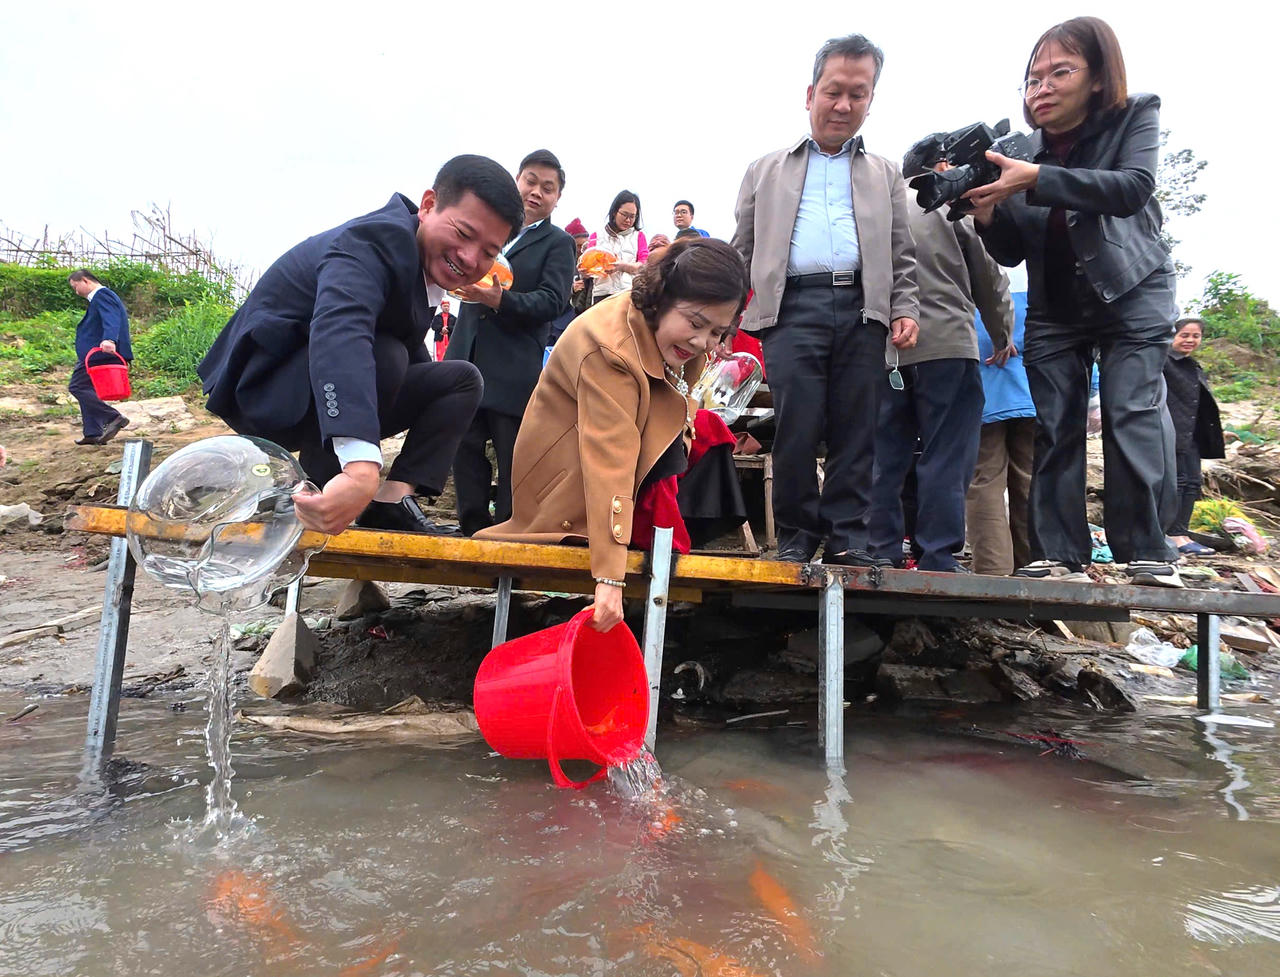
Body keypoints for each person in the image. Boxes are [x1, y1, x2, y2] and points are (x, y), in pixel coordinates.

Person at [197, 155, 524, 537]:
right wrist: (361, 465)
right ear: (428, 205)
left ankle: (391, 502)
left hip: (323, 388)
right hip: (264, 386)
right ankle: (316, 499)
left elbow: (416, 366)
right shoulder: (373, 242)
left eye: (489, 252)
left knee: (460, 380)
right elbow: (341, 331)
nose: (470, 259)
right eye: (464, 234)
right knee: (386, 357)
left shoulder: (424, 272)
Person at [966, 17, 1182, 587]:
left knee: (1128, 412)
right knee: (1054, 426)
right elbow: (1011, 252)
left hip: (1131, 290)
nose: (1042, 88)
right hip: (1055, 303)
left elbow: (1133, 187)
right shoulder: (1015, 148)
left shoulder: (1135, 115)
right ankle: (1059, 554)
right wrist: (987, 212)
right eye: (1032, 79)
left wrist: (1036, 177)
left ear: (1096, 77)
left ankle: (1147, 550)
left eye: (1060, 72)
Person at [476, 238, 750, 632]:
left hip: (623, 470)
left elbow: (683, 410)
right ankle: (638, 547)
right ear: (661, 297)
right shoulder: (610, 347)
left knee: (712, 433)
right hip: (568, 488)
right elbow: (609, 458)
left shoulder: (680, 343)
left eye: (716, 332)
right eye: (694, 323)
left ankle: (661, 546)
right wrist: (609, 578)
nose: (701, 341)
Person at [731, 32, 919, 566]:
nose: (844, 105)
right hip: (792, 309)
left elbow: (901, 251)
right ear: (810, 93)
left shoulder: (884, 174)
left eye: (858, 94)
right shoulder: (765, 170)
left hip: (864, 309)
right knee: (797, 422)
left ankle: (847, 539)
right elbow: (740, 249)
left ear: (871, 100)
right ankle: (794, 536)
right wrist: (723, 316)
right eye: (834, 91)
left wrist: (904, 307)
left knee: (859, 429)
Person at [866, 194, 1016, 572]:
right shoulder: (953, 204)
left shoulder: (876, 201)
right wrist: (1002, 334)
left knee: (884, 454)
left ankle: (880, 548)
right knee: (947, 453)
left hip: (884, 349)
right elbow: (988, 274)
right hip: (947, 344)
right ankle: (937, 554)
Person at [446, 150, 577, 536]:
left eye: (547, 188)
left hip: (513, 365)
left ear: (556, 198)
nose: (536, 192)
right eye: (530, 181)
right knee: (463, 445)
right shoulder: (491, 228)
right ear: (516, 181)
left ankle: (508, 534)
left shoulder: (558, 243)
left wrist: (500, 300)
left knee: (513, 455)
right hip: (467, 355)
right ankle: (471, 528)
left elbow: (553, 301)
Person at [966, 293, 1037, 575]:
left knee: (985, 482)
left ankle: (992, 570)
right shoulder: (1035, 283)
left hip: (985, 395)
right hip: (1034, 392)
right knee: (1031, 481)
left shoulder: (978, 284)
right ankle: (1033, 566)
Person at [1163, 317, 1225, 554]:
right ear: (1172, 336)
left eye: (1195, 336)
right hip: (1172, 432)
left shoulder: (1193, 366)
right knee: (1176, 483)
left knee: (1192, 483)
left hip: (1193, 435)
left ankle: (1181, 533)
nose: (1190, 340)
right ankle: (1170, 534)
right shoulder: (1164, 363)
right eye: (1184, 335)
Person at [67, 270, 133, 446]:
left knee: (78, 386)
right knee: (86, 388)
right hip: (97, 353)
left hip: (100, 353)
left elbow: (111, 317)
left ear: (85, 280)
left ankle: (113, 417)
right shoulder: (99, 297)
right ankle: (92, 432)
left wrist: (110, 339)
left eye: (76, 287)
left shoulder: (102, 295)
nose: (76, 292)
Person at [589, 191, 648, 305]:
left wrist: (622, 266)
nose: (628, 220)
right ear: (615, 212)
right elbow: (589, 266)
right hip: (602, 295)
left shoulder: (639, 236)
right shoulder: (596, 236)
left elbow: (644, 266)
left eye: (632, 216)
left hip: (627, 294)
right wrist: (586, 271)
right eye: (624, 215)